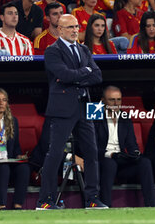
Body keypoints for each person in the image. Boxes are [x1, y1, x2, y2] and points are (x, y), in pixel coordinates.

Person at [37, 14, 106, 210]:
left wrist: (77, 76)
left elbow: (98, 76)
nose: (75, 30)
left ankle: (92, 199)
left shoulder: (83, 48)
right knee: (55, 153)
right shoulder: (52, 51)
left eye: (76, 26)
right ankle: (45, 201)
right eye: (70, 27)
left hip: (86, 105)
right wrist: (84, 72)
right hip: (62, 108)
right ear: (60, 29)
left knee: (92, 152)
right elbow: (64, 74)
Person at [96, 86, 155, 207]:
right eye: (112, 100)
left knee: (144, 162)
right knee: (110, 163)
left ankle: (151, 206)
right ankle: (105, 206)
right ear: (103, 101)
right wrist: (110, 154)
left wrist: (135, 152)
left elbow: (131, 143)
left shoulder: (124, 117)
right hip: (102, 159)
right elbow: (90, 147)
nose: (116, 103)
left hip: (122, 159)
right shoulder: (95, 117)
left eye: (119, 100)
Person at [0, 88, 30, 210]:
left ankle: (18, 206)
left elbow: (16, 146)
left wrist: (19, 155)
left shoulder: (13, 121)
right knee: (3, 168)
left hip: (8, 159)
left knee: (24, 168)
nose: (1, 103)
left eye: (4, 100)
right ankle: (1, 206)